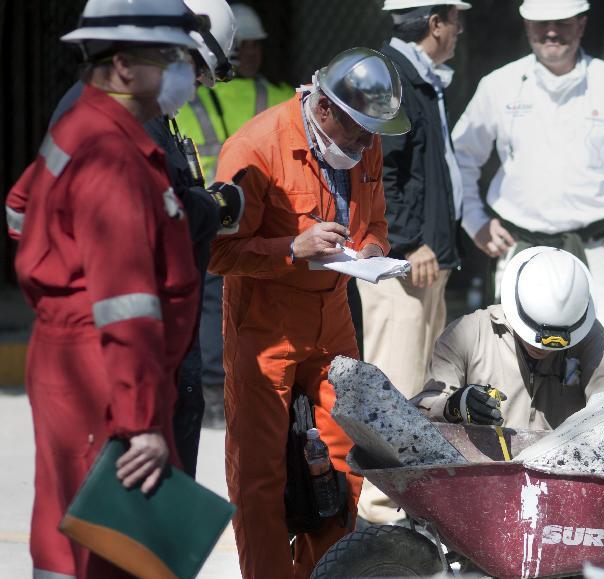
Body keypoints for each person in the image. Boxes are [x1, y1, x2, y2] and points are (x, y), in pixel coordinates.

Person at [5, 0, 203, 576]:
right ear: (123, 66)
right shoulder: (113, 157)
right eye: (170, 58)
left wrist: (61, 270)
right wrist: (140, 422)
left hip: (77, 356)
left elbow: (22, 212)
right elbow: (127, 307)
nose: (183, 72)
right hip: (107, 368)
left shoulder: (81, 124)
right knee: (112, 546)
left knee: (68, 524)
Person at [208, 47, 410, 578]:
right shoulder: (253, 149)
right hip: (264, 328)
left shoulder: (360, 143)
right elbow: (215, 252)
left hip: (333, 316)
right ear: (325, 110)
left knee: (344, 464)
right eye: (361, 133)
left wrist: (369, 249)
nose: (369, 146)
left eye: (374, 135)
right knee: (261, 476)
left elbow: (375, 224)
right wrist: (291, 250)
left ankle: (325, 572)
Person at [26, 0, 240, 479]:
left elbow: (27, 214)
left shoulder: (114, 115)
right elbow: (127, 288)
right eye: (186, 65)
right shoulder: (117, 132)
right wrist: (215, 208)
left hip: (124, 358)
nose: (193, 85)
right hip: (129, 368)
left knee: (110, 536)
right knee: (132, 538)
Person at [452, 0, 604, 359]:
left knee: (603, 363)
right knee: (513, 361)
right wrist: (474, 221)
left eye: (561, 22)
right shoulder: (500, 85)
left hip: (597, 250)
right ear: (526, 26)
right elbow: (460, 158)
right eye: (541, 23)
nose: (551, 32)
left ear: (582, 24)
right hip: (520, 248)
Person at [356, 0, 470, 526]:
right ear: (435, 24)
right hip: (405, 266)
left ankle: (410, 510)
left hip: (426, 264)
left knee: (422, 391)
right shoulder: (392, 78)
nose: (459, 31)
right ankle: (381, 519)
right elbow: (384, 173)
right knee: (396, 390)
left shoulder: (420, 78)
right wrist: (406, 243)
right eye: (456, 20)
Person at [175, 3, 297, 427]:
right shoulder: (202, 89)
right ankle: (217, 387)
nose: (250, 53)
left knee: (229, 298)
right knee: (217, 299)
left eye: (255, 45)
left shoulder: (274, 93)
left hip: (239, 209)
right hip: (217, 210)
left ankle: (229, 387)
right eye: (243, 45)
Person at [412, 247, 604, 429]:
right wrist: (453, 406)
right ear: (514, 308)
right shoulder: (468, 334)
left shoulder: (592, 339)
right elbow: (418, 415)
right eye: (531, 336)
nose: (541, 349)